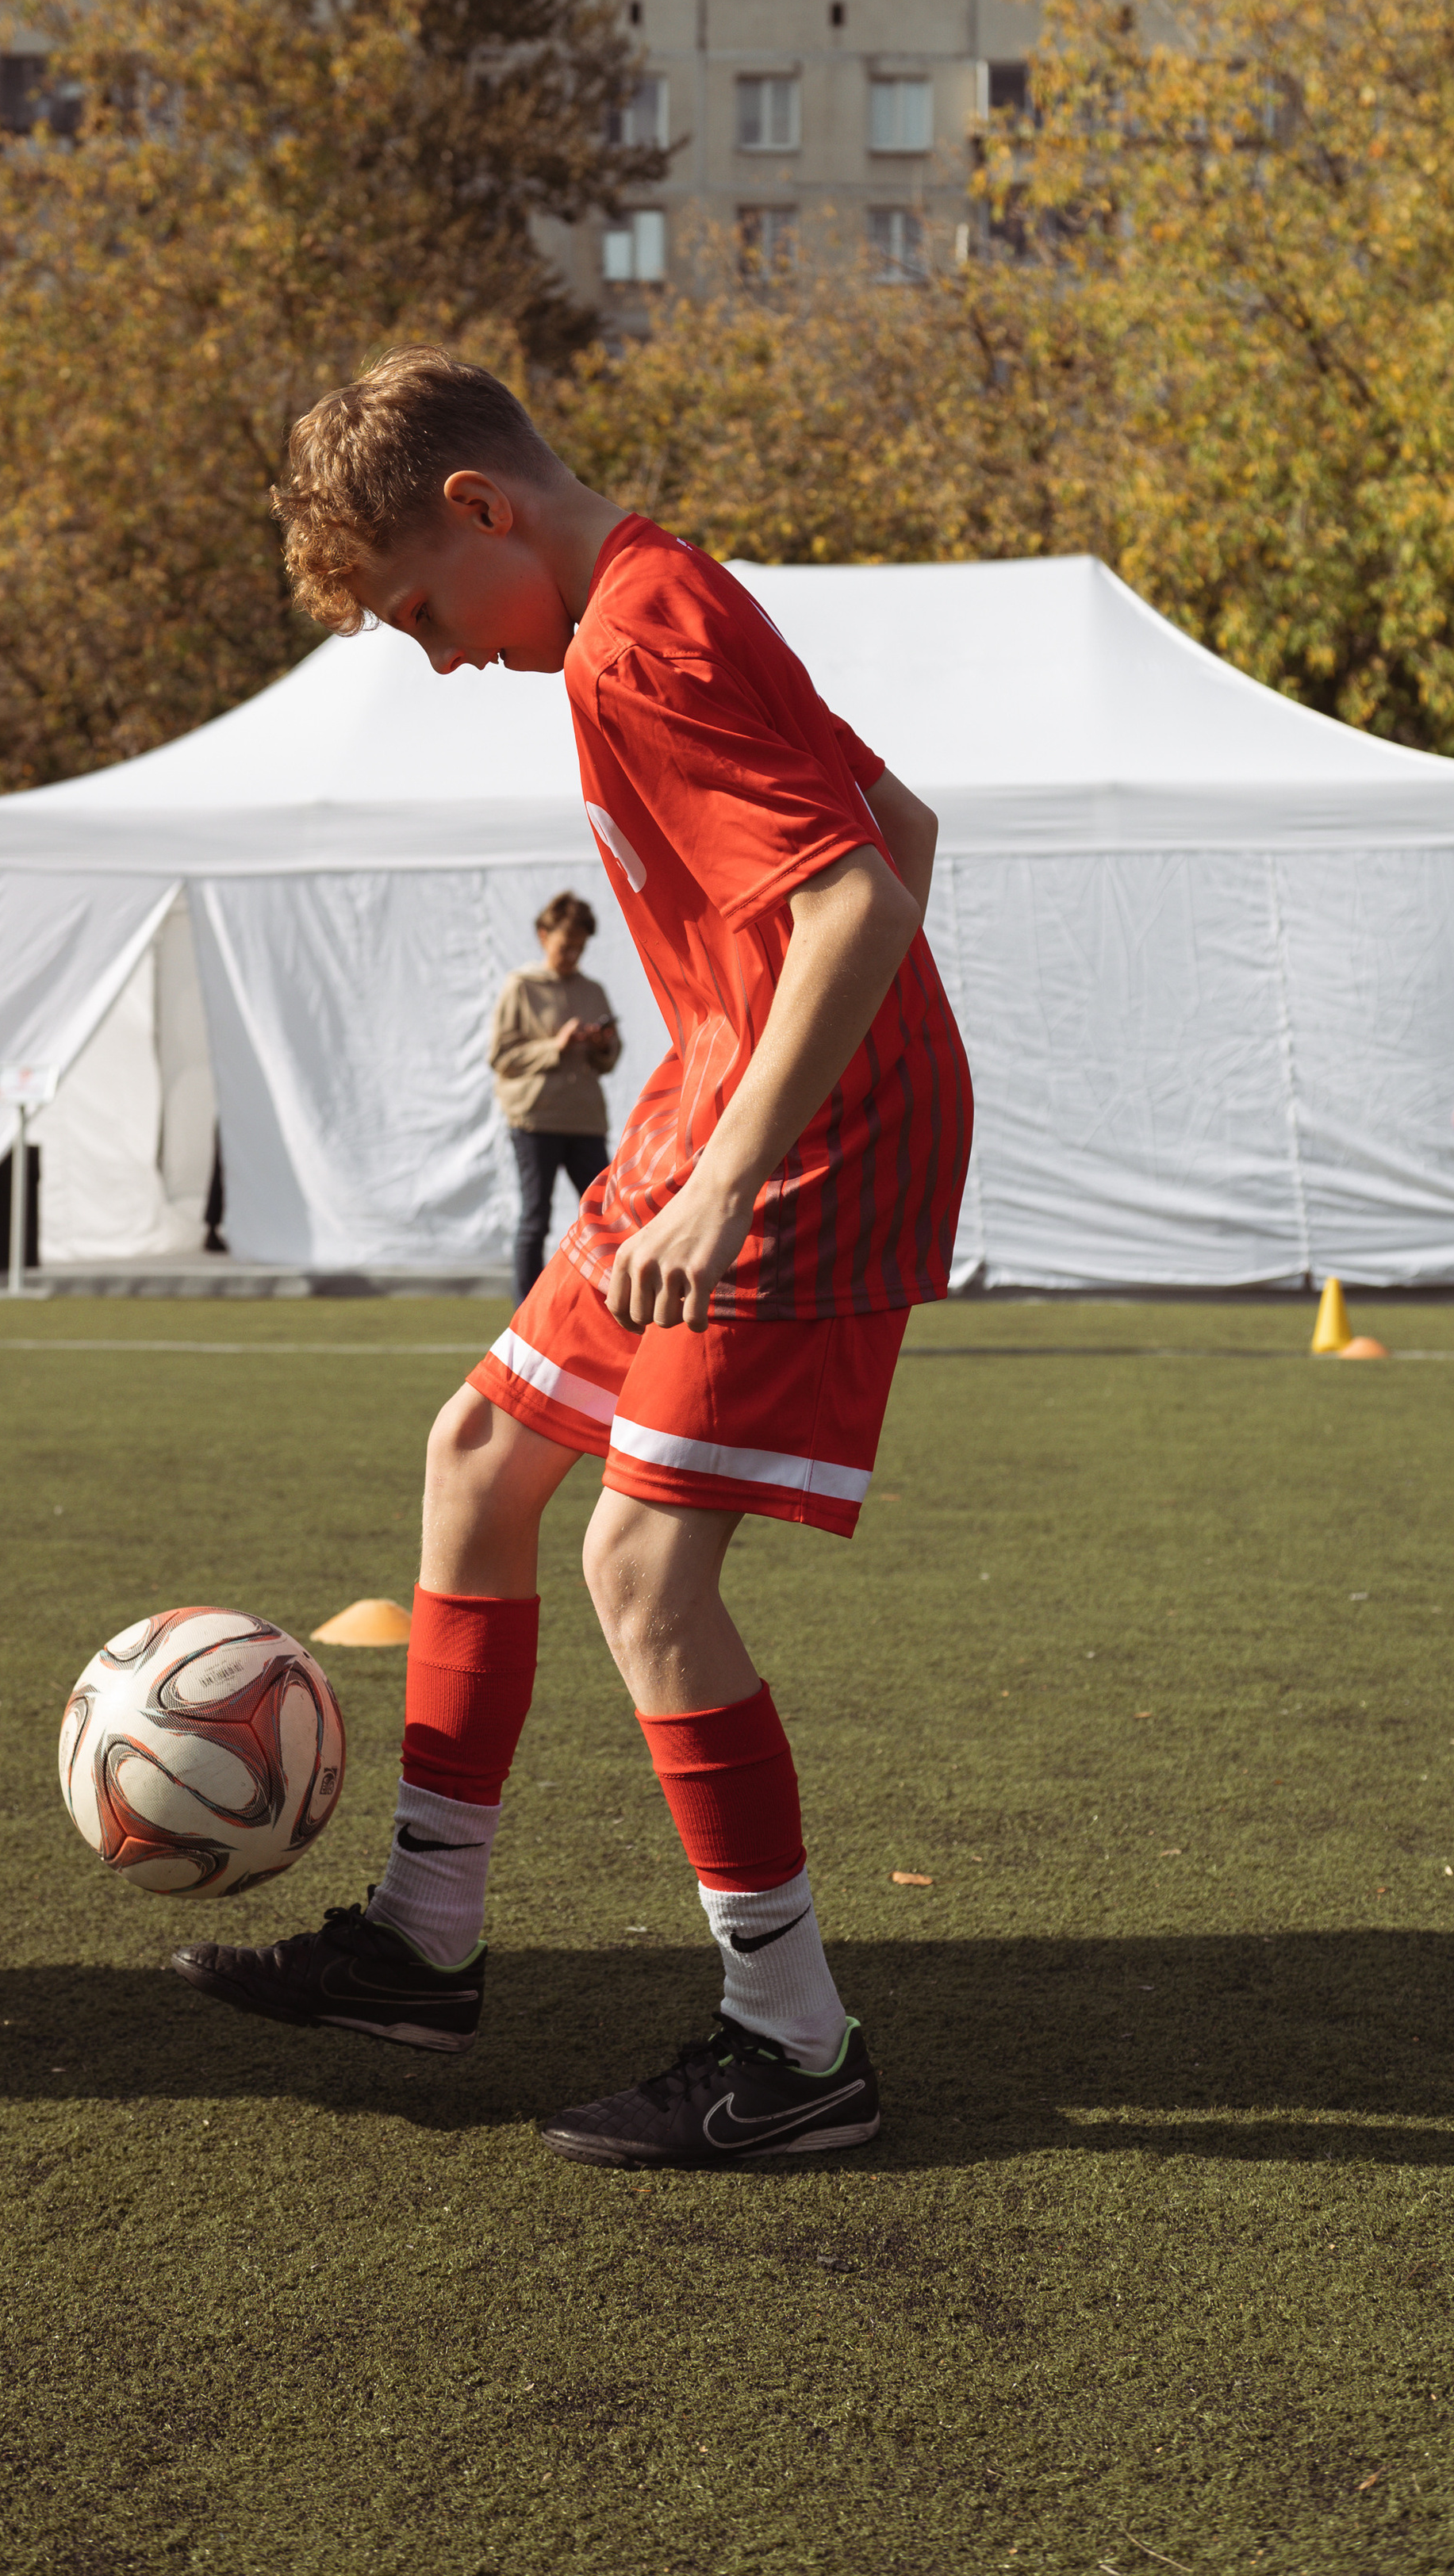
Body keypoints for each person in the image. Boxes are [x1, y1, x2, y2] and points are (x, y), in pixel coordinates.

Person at [170, 346, 973, 2169]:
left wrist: (746, 1151)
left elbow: (852, 891)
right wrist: (717, 1070)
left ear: (479, 508)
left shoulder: (637, 636)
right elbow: (900, 831)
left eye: (422, 612)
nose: (442, 655)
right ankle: (420, 1942)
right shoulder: (649, 597)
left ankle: (794, 2053)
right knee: (475, 1457)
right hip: (718, 1097)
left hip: (796, 1132)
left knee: (641, 1568)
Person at [489, 893, 620, 1303]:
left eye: (581, 946)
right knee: (536, 1220)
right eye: (567, 945)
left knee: (608, 1217)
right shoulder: (521, 987)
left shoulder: (593, 990)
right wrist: (555, 1046)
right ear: (543, 936)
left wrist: (601, 1045)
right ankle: (524, 1315)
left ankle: (607, 1303)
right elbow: (501, 1057)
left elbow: (609, 1060)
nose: (573, 954)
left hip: (584, 1121)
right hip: (536, 1120)